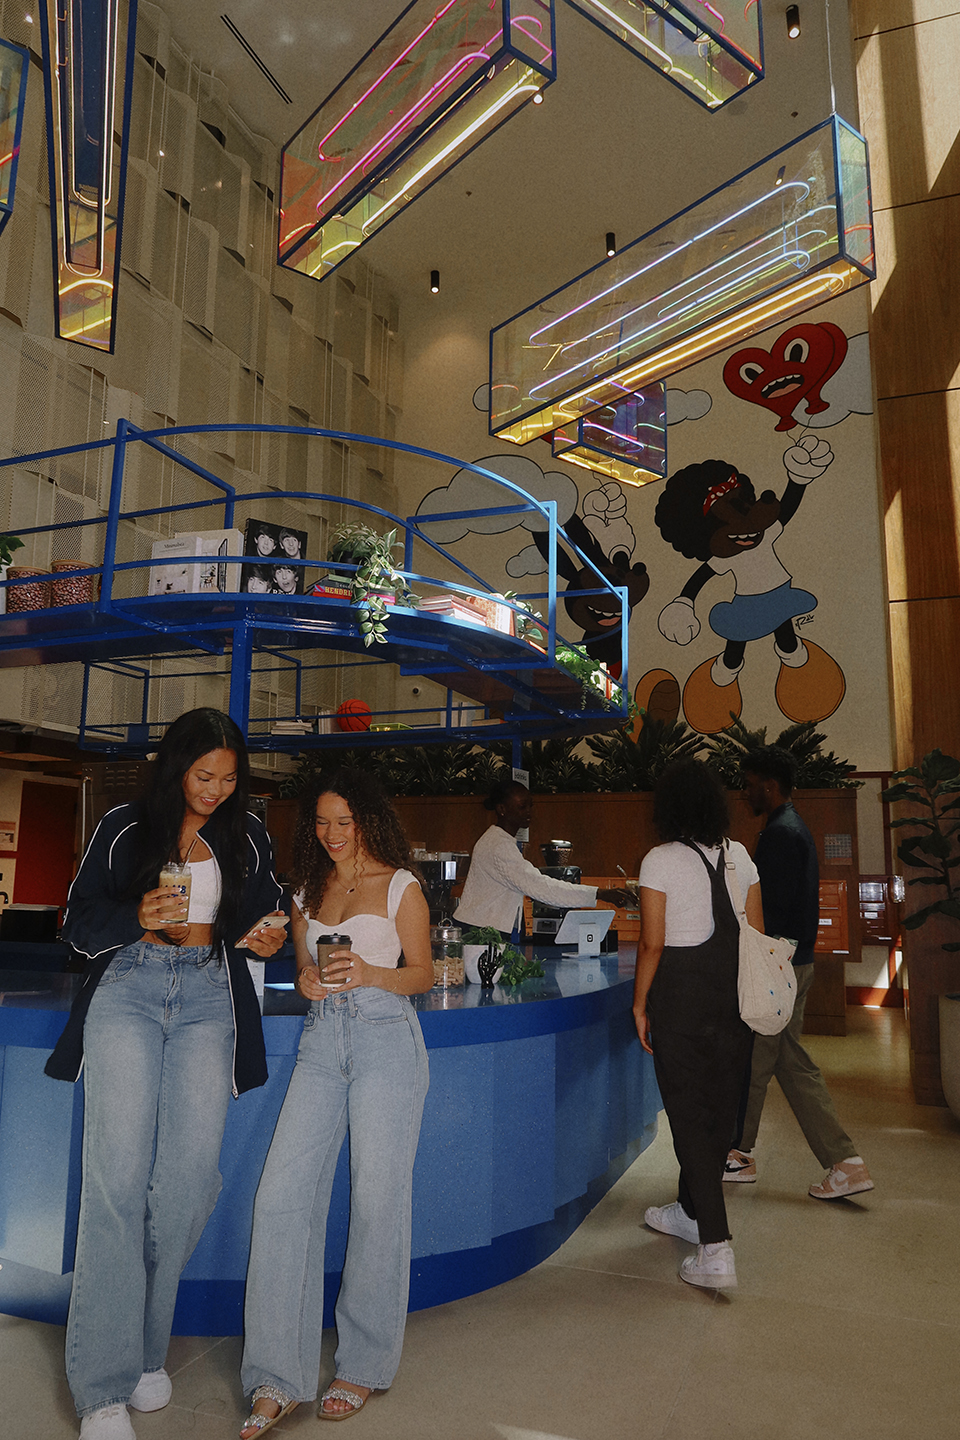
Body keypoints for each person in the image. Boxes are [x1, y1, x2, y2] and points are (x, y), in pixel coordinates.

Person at [45, 708, 287, 1440]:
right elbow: (76, 919)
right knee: (116, 1185)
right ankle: (102, 1389)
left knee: (182, 1186)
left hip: (211, 996)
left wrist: (267, 933)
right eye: (203, 774)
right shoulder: (124, 823)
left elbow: (269, 907)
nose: (215, 790)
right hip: (128, 991)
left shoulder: (246, 835)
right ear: (176, 765)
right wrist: (138, 918)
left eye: (229, 778)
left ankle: (147, 1349)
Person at [239, 767, 433, 1435]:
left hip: (386, 1040)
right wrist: (307, 982)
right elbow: (302, 969)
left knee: (378, 1201)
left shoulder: (402, 885)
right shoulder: (304, 889)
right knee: (280, 1198)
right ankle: (276, 1373)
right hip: (323, 1045)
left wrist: (373, 974)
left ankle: (364, 1363)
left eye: (344, 821)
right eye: (321, 822)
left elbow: (423, 972)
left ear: (369, 820)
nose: (332, 834)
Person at [633, 759, 762, 1290]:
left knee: (686, 1116)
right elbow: (756, 932)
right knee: (715, 1113)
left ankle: (716, 1246)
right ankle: (689, 1211)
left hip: (680, 1002)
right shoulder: (742, 856)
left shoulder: (659, 860)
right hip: (735, 1000)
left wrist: (641, 1006)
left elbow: (652, 943)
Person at [725, 746, 874, 1200]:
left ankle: (744, 1154)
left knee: (761, 1056)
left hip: (780, 966)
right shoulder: (790, 828)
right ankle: (749, 1154)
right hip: (793, 963)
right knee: (784, 1060)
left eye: (750, 783)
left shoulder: (780, 836)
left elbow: (773, 910)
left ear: (768, 786)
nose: (745, 791)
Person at [454, 778, 630, 939]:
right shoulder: (499, 846)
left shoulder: (497, 839)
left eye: (531, 805)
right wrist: (599, 893)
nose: (529, 812)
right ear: (502, 809)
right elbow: (541, 887)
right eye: (522, 806)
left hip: (480, 927)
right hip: (478, 931)